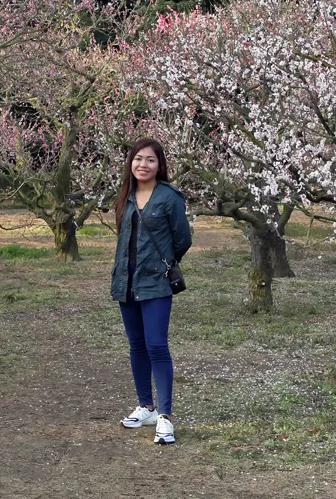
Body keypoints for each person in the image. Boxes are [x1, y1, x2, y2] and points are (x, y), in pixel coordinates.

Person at [110, 138, 191, 445]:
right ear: (131, 162)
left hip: (155, 283)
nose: (143, 165)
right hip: (125, 282)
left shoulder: (169, 197)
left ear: (160, 165)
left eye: (150, 160)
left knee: (157, 346)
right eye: (138, 159)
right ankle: (145, 406)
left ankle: (165, 418)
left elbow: (183, 239)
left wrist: (163, 265)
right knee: (137, 346)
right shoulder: (126, 196)